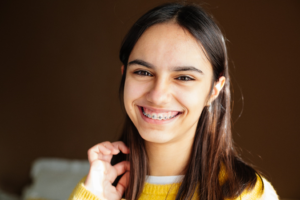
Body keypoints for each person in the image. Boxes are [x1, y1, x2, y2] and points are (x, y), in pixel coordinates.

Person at [69, 3, 278, 200]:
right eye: (143, 72)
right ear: (125, 76)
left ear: (215, 89)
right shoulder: (97, 189)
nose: (158, 95)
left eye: (184, 77)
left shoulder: (248, 193)